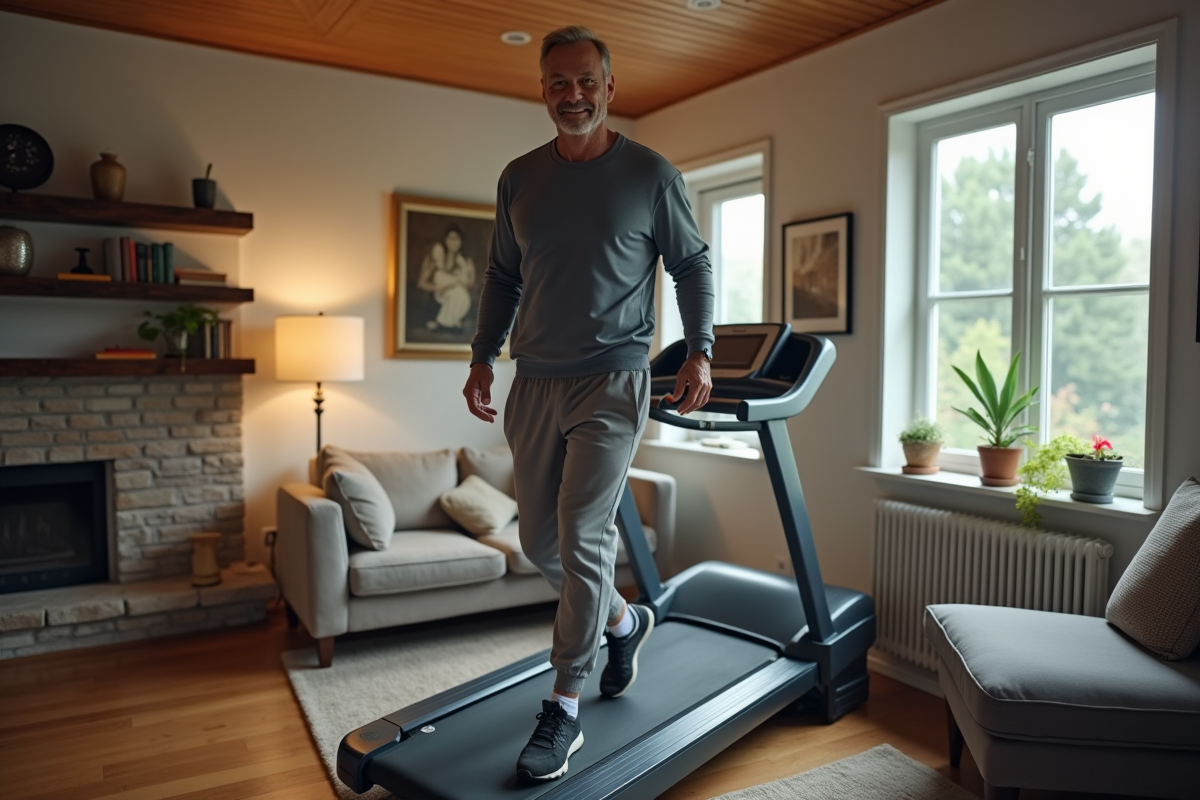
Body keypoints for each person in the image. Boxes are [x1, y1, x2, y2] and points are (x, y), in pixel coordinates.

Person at [462, 25, 714, 783]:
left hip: (613, 379)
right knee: (539, 543)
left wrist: (700, 347)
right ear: (543, 91)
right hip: (534, 380)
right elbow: (502, 276)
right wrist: (482, 356)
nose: (571, 95)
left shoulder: (650, 174)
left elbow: (691, 263)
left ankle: (563, 707)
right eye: (557, 83)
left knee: (582, 539)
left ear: (609, 87)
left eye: (584, 81)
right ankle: (624, 622)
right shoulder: (519, 178)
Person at [417, 226, 476, 330]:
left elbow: (470, 283)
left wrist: (462, 275)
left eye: (457, 238)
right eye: (450, 238)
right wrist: (438, 287)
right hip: (438, 296)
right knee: (456, 290)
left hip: (458, 297)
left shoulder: (465, 261)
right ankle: (447, 322)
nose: (454, 242)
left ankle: (443, 323)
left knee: (460, 294)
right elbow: (421, 283)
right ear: (445, 240)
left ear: (461, 241)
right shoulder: (437, 256)